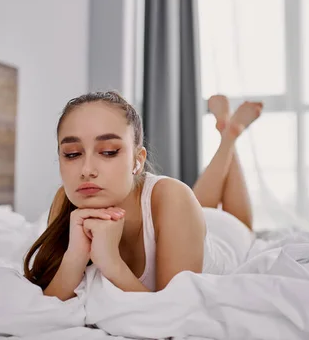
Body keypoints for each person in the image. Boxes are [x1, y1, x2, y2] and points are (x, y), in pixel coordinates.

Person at [23, 91, 263, 300]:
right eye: (72, 154)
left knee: (234, 221)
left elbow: (174, 317)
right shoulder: (65, 200)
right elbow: (50, 305)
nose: (86, 170)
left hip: (225, 235)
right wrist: (75, 256)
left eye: (108, 152)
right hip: (186, 220)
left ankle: (229, 137)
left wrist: (111, 263)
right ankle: (228, 133)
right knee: (196, 205)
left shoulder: (172, 196)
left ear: (138, 160)